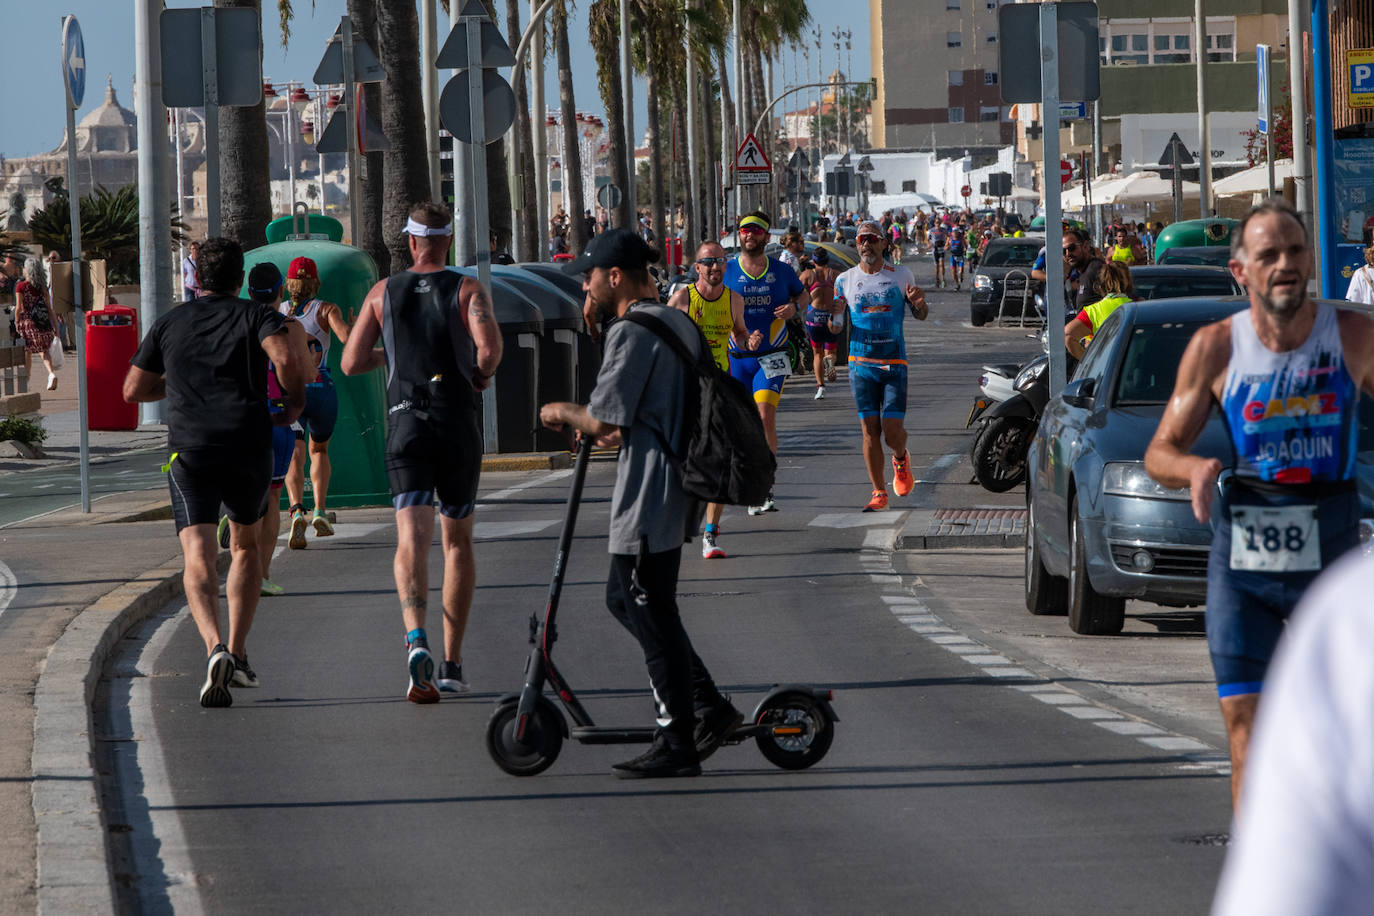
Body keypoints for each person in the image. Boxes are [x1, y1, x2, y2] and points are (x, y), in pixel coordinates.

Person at [1144, 199, 1374, 808]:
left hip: (1331, 561)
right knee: (1247, 733)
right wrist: (1192, 467)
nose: (1285, 264)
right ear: (1241, 270)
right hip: (1243, 565)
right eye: (1268, 254)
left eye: (1295, 251)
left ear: (1310, 262)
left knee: (1344, 739)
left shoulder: (1353, 338)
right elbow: (1159, 452)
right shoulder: (1216, 349)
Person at [540, 227, 744, 779]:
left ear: (614, 276)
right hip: (679, 482)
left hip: (651, 490)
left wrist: (561, 411)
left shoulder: (630, 333)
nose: (585, 285)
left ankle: (677, 737)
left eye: (589, 276)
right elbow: (639, 411)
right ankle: (709, 707)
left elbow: (604, 418)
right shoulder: (676, 319)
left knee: (650, 611)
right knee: (628, 599)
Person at [122, 237, 310, 707]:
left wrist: (179, 381)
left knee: (198, 555)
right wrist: (293, 405)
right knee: (246, 546)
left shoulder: (170, 323)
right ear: (239, 278)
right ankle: (240, 653)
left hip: (190, 450)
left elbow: (133, 389)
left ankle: (213, 647)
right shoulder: (256, 315)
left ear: (197, 279)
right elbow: (287, 359)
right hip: (247, 443)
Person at [341, 201, 502, 703]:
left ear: (410, 242)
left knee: (411, 538)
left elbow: (350, 363)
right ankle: (452, 664)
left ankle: (416, 640)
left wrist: (395, 355)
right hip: (456, 424)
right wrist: (481, 373)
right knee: (457, 542)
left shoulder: (381, 293)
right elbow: (489, 349)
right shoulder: (468, 289)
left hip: (405, 423)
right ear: (447, 242)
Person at [1210, 553, 1374, 916]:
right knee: (1244, 727)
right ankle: (1258, 852)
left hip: (1322, 552)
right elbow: (1168, 490)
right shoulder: (1355, 608)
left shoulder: (1352, 603)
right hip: (1242, 566)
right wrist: (1195, 489)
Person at [835, 221, 928, 512]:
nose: (866, 245)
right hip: (860, 363)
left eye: (872, 239)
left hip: (894, 362)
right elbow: (835, 328)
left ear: (884, 243)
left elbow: (921, 314)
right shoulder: (845, 280)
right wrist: (833, 318)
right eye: (862, 239)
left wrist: (919, 303)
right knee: (869, 429)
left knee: (892, 431)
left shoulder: (901, 275)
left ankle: (900, 458)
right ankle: (878, 492)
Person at [667, 240, 749, 560]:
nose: (716, 267)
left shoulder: (734, 300)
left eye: (721, 261)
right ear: (697, 268)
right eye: (709, 262)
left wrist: (747, 339)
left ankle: (710, 536)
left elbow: (739, 333)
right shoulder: (683, 299)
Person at [722, 210, 807, 515]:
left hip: (772, 357)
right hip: (736, 358)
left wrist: (793, 309)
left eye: (756, 231)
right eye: (745, 230)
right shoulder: (727, 270)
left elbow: (804, 298)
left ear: (766, 237)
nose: (750, 235)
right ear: (739, 235)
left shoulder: (782, 271)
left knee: (764, 416)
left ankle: (765, 486)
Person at [278, 257, 352, 549]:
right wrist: (354, 326)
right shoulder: (327, 309)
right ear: (315, 283)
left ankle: (297, 509)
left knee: (294, 452)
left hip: (291, 391)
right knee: (319, 449)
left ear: (289, 284)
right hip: (322, 390)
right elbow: (347, 337)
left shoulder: (280, 312)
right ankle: (320, 510)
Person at [243, 262, 307, 597]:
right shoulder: (289, 326)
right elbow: (306, 374)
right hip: (276, 417)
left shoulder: (237, 323)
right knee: (272, 497)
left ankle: (231, 516)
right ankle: (262, 575)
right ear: (280, 291)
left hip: (239, 419)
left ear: (249, 292)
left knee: (241, 491)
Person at [1064, 260, 1135, 359]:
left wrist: (1086, 362)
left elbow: (1068, 335)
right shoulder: (1138, 308)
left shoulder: (1093, 311)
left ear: (1101, 283)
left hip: (1103, 370)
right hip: (1132, 368)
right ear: (1128, 280)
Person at [799, 247, 843, 399]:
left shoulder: (807, 275)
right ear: (828, 260)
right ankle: (829, 360)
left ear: (813, 260)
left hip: (814, 317)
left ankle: (820, 387)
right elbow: (842, 295)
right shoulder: (835, 275)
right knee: (831, 352)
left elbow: (798, 294)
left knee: (816, 352)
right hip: (830, 317)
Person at [14, 258, 59, 390]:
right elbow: (50, 309)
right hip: (43, 323)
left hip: (28, 323)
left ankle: (27, 382)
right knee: (43, 351)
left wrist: (17, 322)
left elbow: (18, 307)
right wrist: (55, 327)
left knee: (26, 352)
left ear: (27, 269)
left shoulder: (21, 286)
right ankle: (51, 374)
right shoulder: (42, 287)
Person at [930, 221, 948, 289]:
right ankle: (937, 279)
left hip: (942, 249)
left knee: (942, 264)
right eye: (936, 222)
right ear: (934, 223)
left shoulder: (943, 230)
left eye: (938, 222)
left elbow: (949, 236)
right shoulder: (932, 230)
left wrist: (946, 244)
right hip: (935, 249)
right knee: (937, 266)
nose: (937, 224)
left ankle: (943, 279)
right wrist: (929, 244)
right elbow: (929, 239)